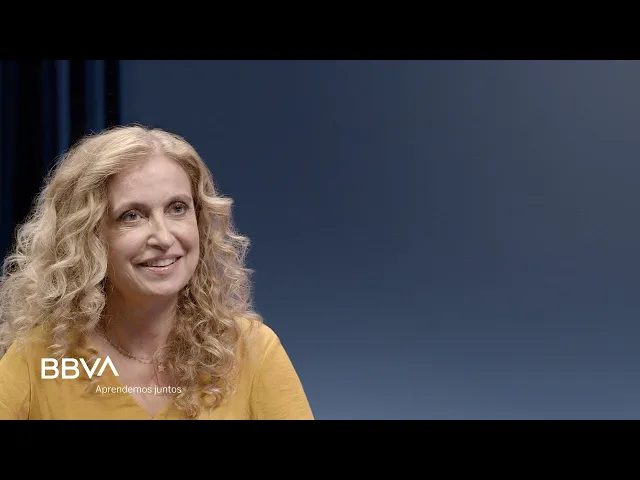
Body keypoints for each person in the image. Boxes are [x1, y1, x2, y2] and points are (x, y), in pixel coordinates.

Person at [0, 125, 314, 420]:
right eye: (131, 215)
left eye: (177, 208)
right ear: (88, 236)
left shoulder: (252, 351)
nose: (163, 238)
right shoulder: (39, 358)